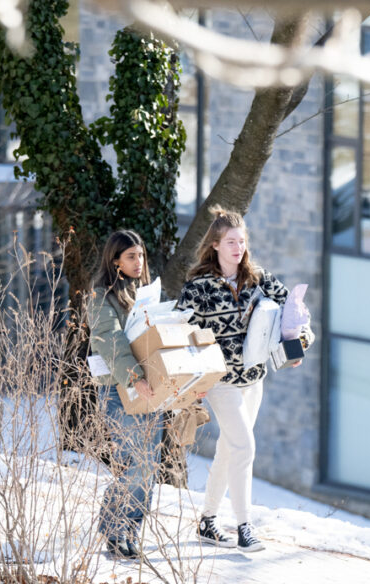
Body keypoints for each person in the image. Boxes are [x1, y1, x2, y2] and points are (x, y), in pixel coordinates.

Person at [177, 206, 310, 553]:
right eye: (231, 241)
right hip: (220, 382)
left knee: (230, 448)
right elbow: (181, 335)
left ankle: (207, 521)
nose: (238, 248)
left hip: (254, 379)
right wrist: (195, 381)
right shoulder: (199, 288)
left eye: (242, 241)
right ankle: (244, 527)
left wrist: (298, 344)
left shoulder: (258, 277)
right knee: (244, 448)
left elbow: (294, 312)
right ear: (216, 244)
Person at [86, 229, 160, 560]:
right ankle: (115, 530)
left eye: (141, 255)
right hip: (119, 392)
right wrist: (134, 377)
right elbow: (109, 339)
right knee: (135, 463)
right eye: (131, 256)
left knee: (149, 466)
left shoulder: (146, 295)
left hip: (151, 390)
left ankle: (129, 530)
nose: (138, 262)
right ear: (114, 261)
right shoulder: (102, 297)